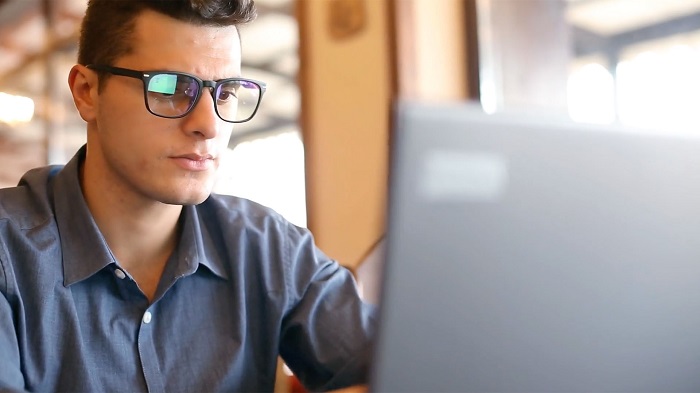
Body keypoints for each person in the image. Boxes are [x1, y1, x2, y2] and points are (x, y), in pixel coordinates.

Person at [0, 0, 376, 392]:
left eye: (226, 92)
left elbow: (399, 370)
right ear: (87, 92)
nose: (209, 126)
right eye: (170, 88)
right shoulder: (9, 255)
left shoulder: (268, 250)